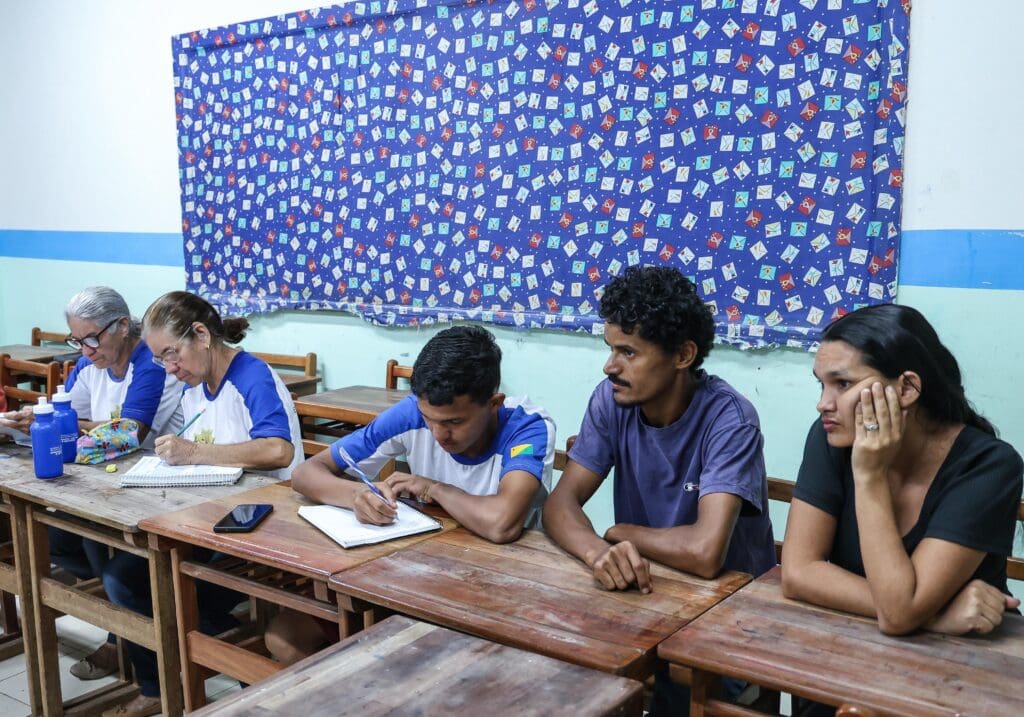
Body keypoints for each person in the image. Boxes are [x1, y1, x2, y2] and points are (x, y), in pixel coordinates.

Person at [543, 265, 775, 716]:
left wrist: (620, 533)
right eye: (610, 348)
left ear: (683, 355)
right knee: (554, 666)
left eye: (629, 351)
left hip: (728, 626)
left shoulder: (730, 419)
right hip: (645, 602)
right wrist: (598, 554)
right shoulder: (611, 400)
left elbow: (705, 553)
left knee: (674, 686)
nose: (610, 366)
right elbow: (559, 506)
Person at [265, 325, 555, 664]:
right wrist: (357, 494)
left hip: (501, 596)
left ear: (494, 404)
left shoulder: (527, 426)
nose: (438, 434)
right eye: (429, 420)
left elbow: (502, 523)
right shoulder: (412, 413)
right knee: (284, 638)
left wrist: (434, 488)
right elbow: (306, 474)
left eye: (454, 423)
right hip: (416, 583)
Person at [98, 290, 304, 717]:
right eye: (160, 359)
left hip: (264, 524)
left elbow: (278, 451)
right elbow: (184, 444)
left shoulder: (251, 376)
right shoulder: (196, 386)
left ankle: (243, 673)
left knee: (155, 586)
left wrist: (195, 453)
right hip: (212, 518)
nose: (170, 368)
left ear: (202, 335)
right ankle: (180, 676)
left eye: (172, 354)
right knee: (123, 572)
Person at [782, 305, 1023, 640]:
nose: (824, 403)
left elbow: (898, 614)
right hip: (843, 650)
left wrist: (869, 475)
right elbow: (797, 573)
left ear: (906, 389)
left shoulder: (988, 465)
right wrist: (933, 616)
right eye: (822, 384)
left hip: (959, 669)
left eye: (842, 383)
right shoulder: (831, 437)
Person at [0, 286, 182, 683]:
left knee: (98, 546)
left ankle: (133, 650)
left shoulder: (148, 365)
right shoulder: (90, 365)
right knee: (60, 538)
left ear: (121, 326)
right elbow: (65, 409)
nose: (85, 350)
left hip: (156, 487)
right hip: (104, 485)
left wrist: (63, 424)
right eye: (76, 340)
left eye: (92, 339)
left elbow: (131, 432)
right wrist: (34, 418)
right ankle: (122, 623)